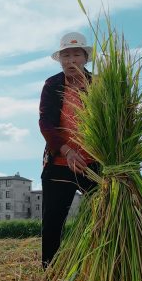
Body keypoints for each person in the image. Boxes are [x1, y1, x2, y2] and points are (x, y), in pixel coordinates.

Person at [38, 32, 98, 269]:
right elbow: (46, 123)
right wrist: (67, 151)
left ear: (85, 58)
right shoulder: (52, 85)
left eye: (76, 54)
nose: (70, 60)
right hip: (59, 165)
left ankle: (96, 266)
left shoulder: (98, 85)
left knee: (102, 217)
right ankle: (50, 272)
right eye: (66, 55)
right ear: (60, 59)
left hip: (93, 165)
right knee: (53, 222)